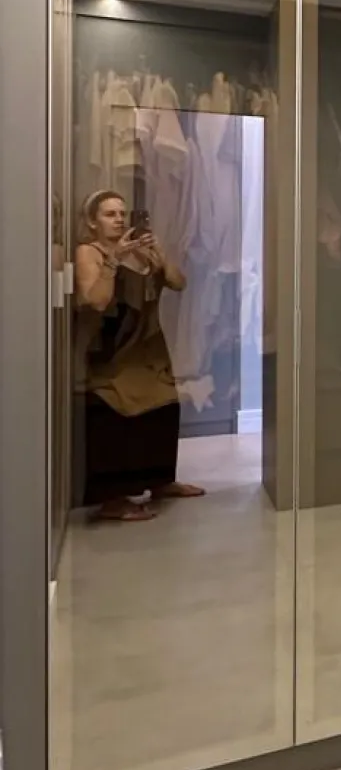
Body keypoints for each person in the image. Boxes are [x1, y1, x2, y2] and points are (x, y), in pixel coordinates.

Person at [73, 189, 205, 523]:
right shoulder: (89, 252)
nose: (118, 219)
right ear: (92, 221)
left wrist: (159, 254)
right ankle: (113, 498)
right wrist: (113, 260)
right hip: (112, 347)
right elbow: (96, 301)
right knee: (116, 413)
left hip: (148, 345)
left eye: (122, 213)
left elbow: (178, 283)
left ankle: (161, 481)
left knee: (164, 407)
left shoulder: (140, 252)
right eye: (109, 214)